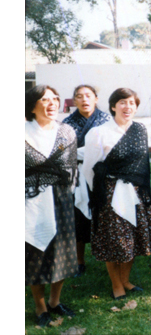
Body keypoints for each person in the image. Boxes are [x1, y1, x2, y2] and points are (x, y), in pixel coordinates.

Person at [83, 88, 151, 299]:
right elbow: (89, 168)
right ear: (113, 106)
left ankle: (126, 279)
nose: (127, 107)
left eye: (132, 103)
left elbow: (142, 164)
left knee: (131, 239)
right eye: (123, 102)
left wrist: (140, 188)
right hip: (110, 194)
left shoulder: (140, 129)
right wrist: (102, 195)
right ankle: (116, 284)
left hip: (136, 193)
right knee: (114, 240)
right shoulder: (98, 133)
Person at [26, 85, 79, 327]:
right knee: (36, 253)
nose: (51, 104)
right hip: (29, 199)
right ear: (32, 105)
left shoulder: (66, 132)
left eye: (55, 99)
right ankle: (39, 306)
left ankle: (55, 301)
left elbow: (70, 169)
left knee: (63, 251)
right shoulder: (20, 132)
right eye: (44, 100)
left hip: (60, 197)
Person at [62, 85, 112, 277]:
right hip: (76, 173)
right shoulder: (67, 123)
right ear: (74, 101)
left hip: (101, 172)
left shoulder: (106, 120)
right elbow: (64, 151)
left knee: (104, 213)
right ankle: (79, 259)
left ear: (96, 98)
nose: (84, 100)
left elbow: (110, 145)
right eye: (79, 97)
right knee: (78, 216)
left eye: (88, 96)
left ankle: (108, 255)